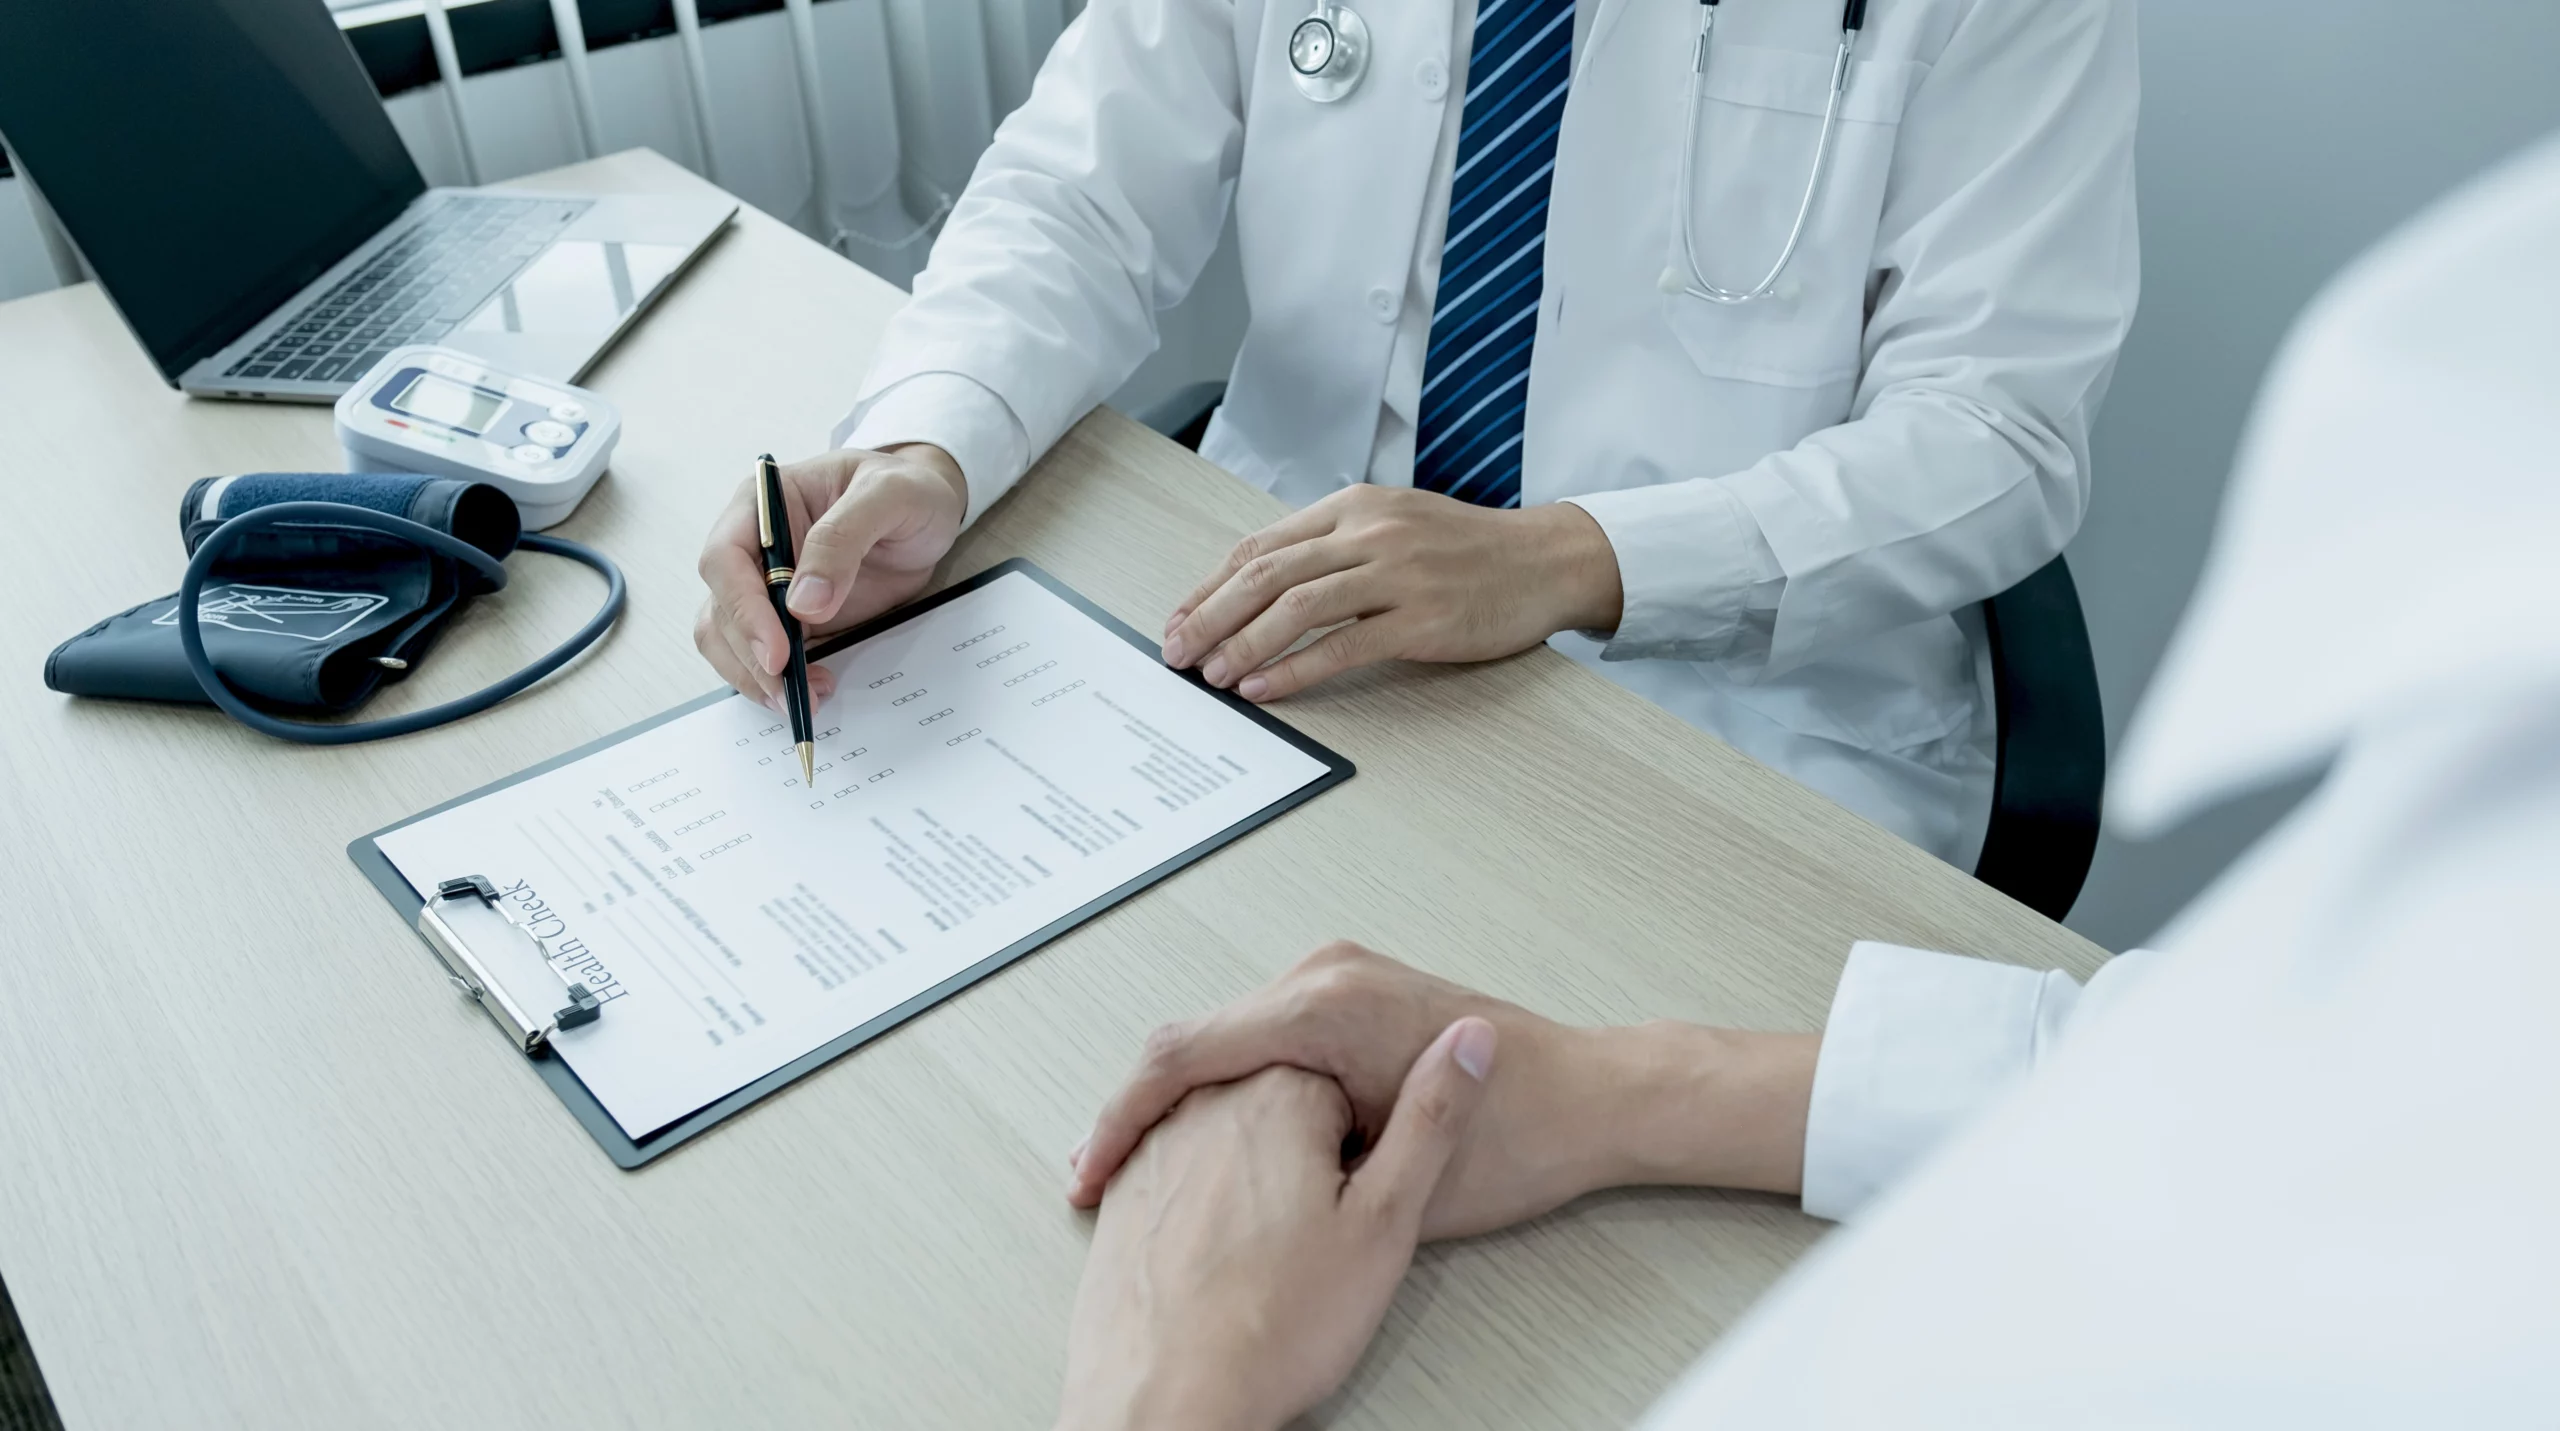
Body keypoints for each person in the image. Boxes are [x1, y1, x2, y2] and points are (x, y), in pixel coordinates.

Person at [1049, 131, 2560, 1429]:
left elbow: (2001, 434)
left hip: (1752, 721)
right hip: (1332, 673)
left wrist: (1170, 1387)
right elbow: (2317, 1082)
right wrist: (1609, 1090)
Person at [694, 0, 2140, 865]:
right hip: (1267, 625)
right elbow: (1081, 193)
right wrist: (928, 448)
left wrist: (1573, 560)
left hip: (1725, 715)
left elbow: (1997, 430)